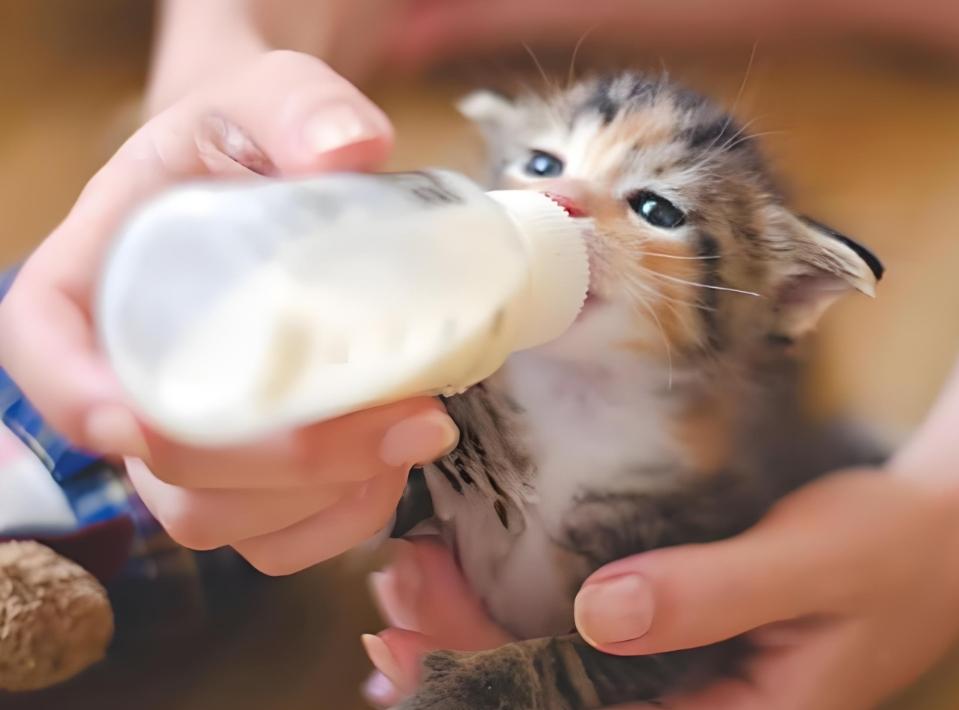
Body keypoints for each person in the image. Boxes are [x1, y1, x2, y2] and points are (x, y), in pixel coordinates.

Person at [0, 2, 956, 708]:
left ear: (778, 298)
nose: (568, 204)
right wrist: (212, 83)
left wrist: (940, 503)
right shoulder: (449, 365)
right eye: (541, 166)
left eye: (656, 210)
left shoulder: (697, 476)